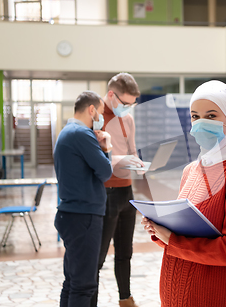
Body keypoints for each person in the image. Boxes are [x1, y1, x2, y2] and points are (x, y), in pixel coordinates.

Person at [141, 81, 226, 307]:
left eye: (211, 116)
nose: (201, 123)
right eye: (195, 116)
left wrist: (172, 240)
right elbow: (185, 235)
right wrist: (160, 228)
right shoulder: (191, 170)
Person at [54, 91, 113, 306]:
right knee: (84, 286)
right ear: (91, 110)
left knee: (72, 282)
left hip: (71, 215)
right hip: (84, 218)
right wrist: (106, 147)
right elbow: (106, 171)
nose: (101, 117)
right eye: (101, 112)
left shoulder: (67, 132)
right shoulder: (81, 133)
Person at [91, 73, 144, 307]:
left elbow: (132, 151)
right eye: (125, 104)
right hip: (105, 193)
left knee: (125, 252)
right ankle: (90, 301)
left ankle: (126, 298)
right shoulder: (93, 117)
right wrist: (120, 161)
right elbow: (93, 158)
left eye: (132, 104)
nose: (128, 109)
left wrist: (138, 164)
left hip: (126, 192)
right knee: (98, 256)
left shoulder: (128, 120)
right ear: (111, 95)